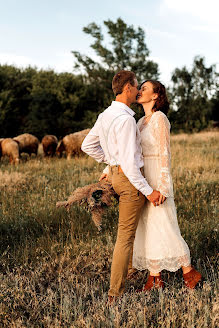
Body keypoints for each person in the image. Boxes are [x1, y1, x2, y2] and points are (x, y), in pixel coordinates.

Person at [81, 71, 162, 301]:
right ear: (128, 88)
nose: (138, 91)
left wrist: (110, 162)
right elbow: (129, 164)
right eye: (137, 87)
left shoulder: (105, 115)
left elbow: (87, 145)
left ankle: (132, 269)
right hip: (128, 181)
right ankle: (115, 294)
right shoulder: (126, 119)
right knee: (125, 236)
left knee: (131, 229)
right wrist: (149, 191)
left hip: (115, 177)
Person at [132, 80, 202, 290]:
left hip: (157, 176)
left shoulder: (160, 119)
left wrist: (163, 186)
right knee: (148, 225)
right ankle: (155, 276)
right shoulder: (140, 122)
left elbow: (165, 153)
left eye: (144, 88)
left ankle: (189, 271)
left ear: (155, 96)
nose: (140, 90)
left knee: (165, 223)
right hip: (144, 178)